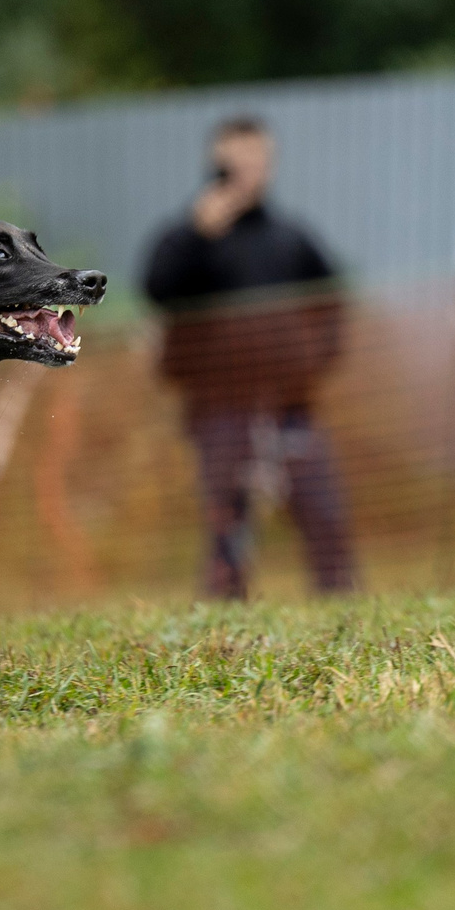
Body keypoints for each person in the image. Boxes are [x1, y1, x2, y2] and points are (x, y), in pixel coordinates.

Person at [142, 116, 359, 600]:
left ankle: (344, 611)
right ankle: (225, 627)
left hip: (291, 407)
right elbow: (156, 291)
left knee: (324, 513)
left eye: (256, 161)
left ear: (270, 165)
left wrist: (315, 360)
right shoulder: (184, 237)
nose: (246, 172)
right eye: (234, 162)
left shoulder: (291, 237)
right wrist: (199, 238)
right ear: (215, 164)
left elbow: (332, 300)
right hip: (218, 409)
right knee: (228, 525)